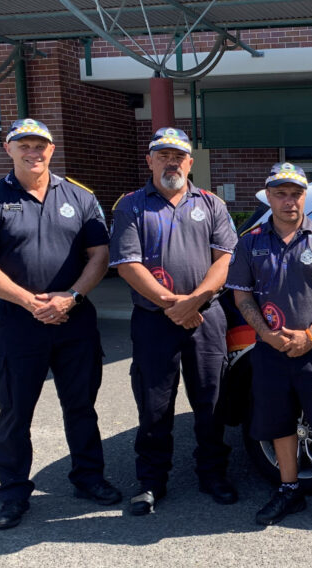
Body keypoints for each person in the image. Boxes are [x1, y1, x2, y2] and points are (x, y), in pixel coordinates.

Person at [0, 118, 121, 529]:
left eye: (41, 145)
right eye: (24, 145)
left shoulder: (80, 196)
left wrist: (73, 296)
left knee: (81, 407)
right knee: (15, 411)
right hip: (18, 322)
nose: (34, 152)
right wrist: (29, 301)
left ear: (51, 149)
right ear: (8, 149)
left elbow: (99, 255)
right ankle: (13, 494)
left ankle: (89, 479)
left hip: (75, 319)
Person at [109, 127, 238, 516]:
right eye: (163, 155)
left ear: (190, 162)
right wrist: (171, 304)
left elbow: (225, 259)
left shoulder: (212, 204)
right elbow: (128, 265)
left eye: (179, 156)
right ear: (149, 160)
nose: (172, 162)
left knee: (210, 402)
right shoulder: (130, 206)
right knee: (154, 405)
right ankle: (151, 482)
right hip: (154, 320)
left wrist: (195, 301)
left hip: (206, 317)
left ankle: (213, 474)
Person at [226, 162, 312, 528]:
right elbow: (241, 296)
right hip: (271, 351)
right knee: (279, 422)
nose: (289, 201)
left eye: (296, 193)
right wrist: (267, 335)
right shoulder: (250, 242)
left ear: (305, 196)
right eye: (281, 193)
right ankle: (289, 490)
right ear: (269, 196)